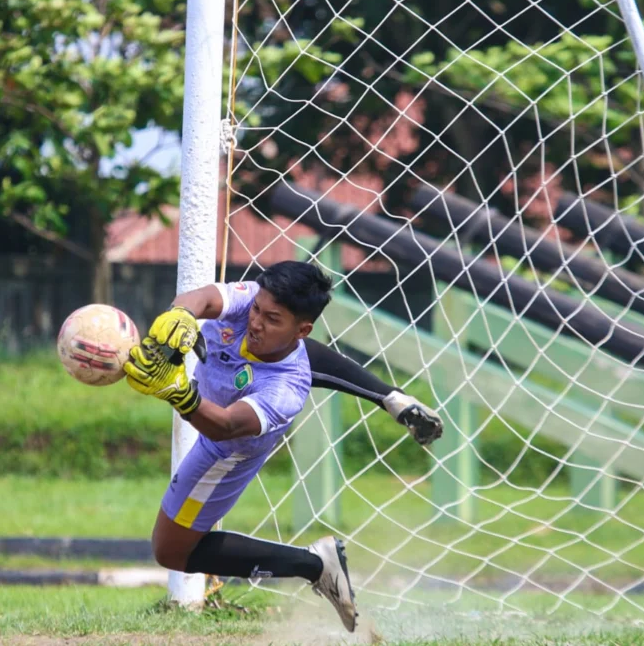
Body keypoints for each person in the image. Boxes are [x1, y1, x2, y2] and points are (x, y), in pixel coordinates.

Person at [123, 261, 442, 633]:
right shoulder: (256, 302)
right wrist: (179, 314)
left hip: (226, 452)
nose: (256, 322)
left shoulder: (287, 390)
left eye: (272, 318)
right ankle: (389, 397)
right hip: (231, 399)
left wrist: (176, 392)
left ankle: (313, 565)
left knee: (171, 551)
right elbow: (205, 298)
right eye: (257, 310)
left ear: (303, 328)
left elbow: (225, 426)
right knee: (282, 347)